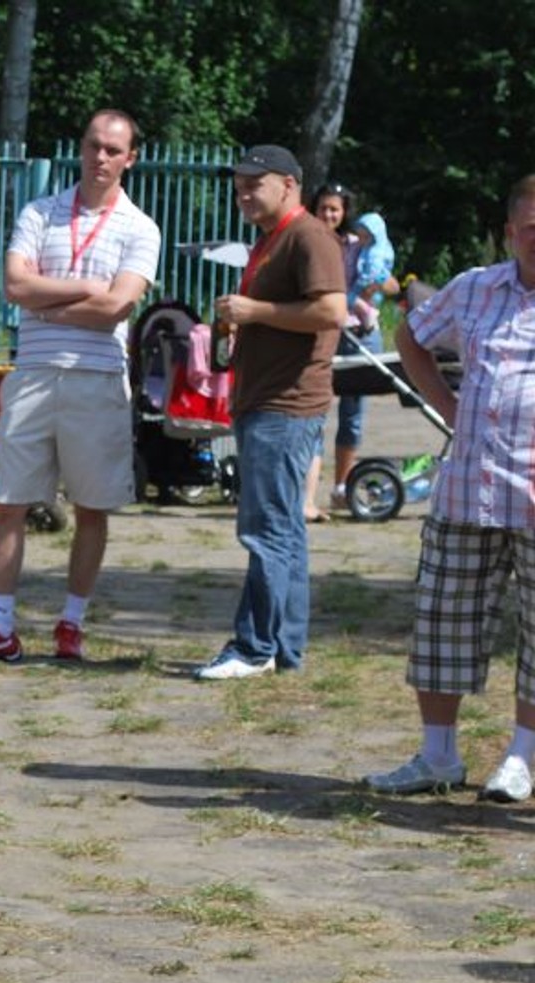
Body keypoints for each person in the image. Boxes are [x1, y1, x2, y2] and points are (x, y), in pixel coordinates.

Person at [0, 109, 161, 664]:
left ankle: (71, 622)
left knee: (92, 506)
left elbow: (118, 307)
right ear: (80, 149)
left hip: (97, 377)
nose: (101, 158)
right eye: (93, 146)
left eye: (113, 149)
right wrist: (86, 287)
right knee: (9, 501)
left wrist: (51, 302)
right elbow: (15, 286)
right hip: (34, 374)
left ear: (130, 158)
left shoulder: (141, 226)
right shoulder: (40, 212)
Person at [364, 175, 535, 800]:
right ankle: (438, 755)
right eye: (533, 230)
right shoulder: (473, 288)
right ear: (511, 232)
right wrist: (447, 405)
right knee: (442, 625)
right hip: (468, 488)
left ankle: (521, 759)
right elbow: (411, 335)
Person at [193, 145, 347, 680]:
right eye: (238, 184)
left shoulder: (309, 236)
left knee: (266, 531)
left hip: (286, 404)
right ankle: (284, 648)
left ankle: (252, 647)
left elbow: (333, 311)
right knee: (285, 531)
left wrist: (254, 311)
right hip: (268, 402)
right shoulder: (272, 240)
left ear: (287, 183)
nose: (243, 193)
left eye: (253, 183)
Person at [304, 184, 401, 517]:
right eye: (323, 208)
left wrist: (376, 281)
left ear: (345, 213)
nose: (329, 215)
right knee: (313, 411)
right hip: (322, 332)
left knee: (353, 416)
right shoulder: (308, 241)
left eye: (335, 209)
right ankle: (307, 495)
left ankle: (342, 489)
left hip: (361, 334)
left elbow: (391, 285)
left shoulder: (360, 246)